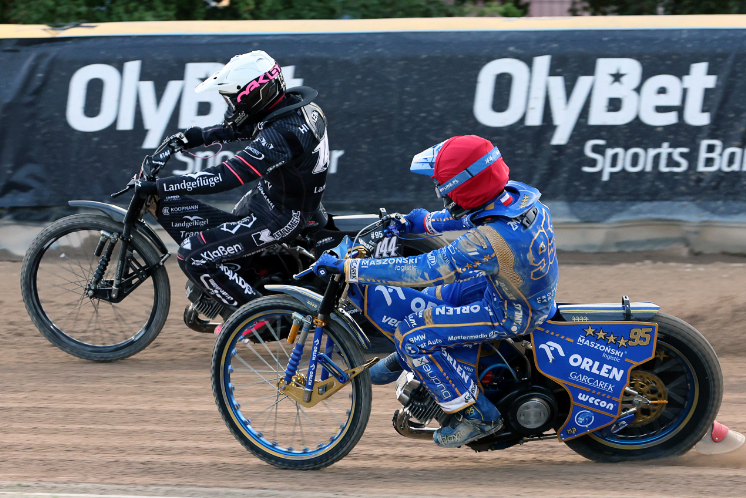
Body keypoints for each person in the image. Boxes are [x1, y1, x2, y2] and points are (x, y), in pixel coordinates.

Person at [313, 135, 559, 448]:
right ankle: (409, 362)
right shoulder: (515, 197)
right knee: (433, 299)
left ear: (465, 186)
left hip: (510, 313)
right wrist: (414, 222)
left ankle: (476, 415)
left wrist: (352, 269)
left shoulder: (490, 239)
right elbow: (465, 215)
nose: (441, 192)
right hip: (507, 289)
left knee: (412, 334)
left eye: (444, 186)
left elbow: (425, 268)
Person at [137, 50, 329, 310]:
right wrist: (192, 137)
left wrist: (161, 186)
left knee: (192, 256)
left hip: (281, 218)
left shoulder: (285, 132)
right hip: (271, 199)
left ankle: (258, 318)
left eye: (234, 100)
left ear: (255, 95)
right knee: (227, 250)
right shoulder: (292, 109)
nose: (232, 107)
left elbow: (227, 176)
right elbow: (247, 126)